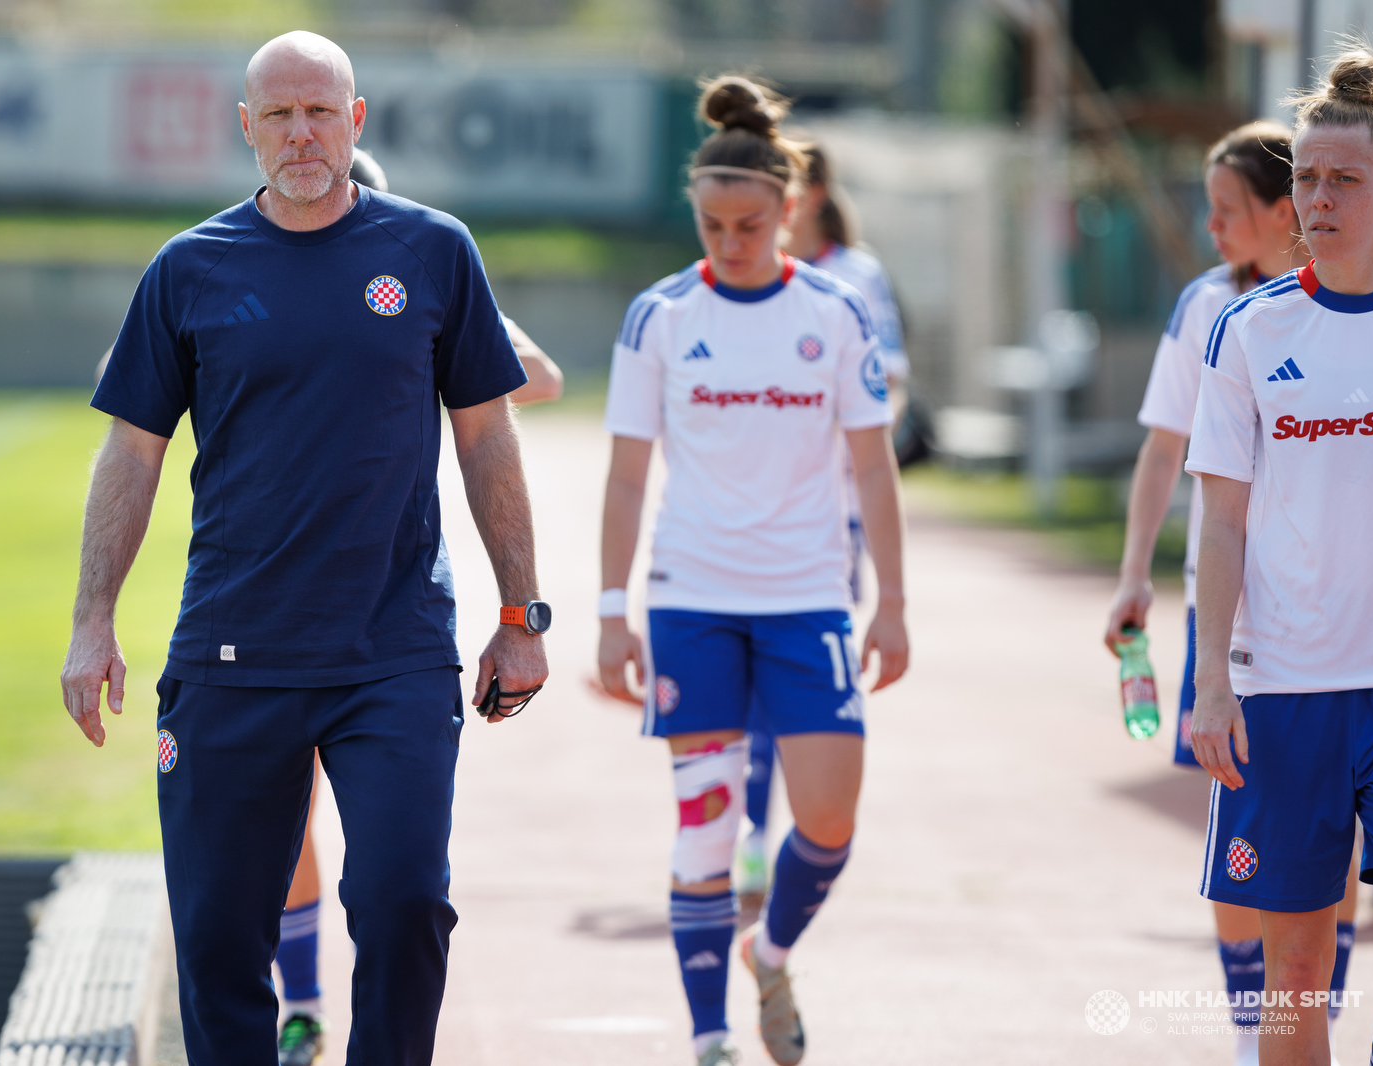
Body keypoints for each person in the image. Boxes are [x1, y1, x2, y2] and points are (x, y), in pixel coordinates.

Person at [58, 31, 551, 1066]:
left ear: (355, 119)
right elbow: (131, 454)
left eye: (320, 112)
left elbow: (487, 437)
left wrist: (521, 615)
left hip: (392, 650)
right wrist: (91, 620)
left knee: (406, 903)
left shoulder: (433, 251)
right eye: (278, 115)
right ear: (246, 127)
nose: (301, 134)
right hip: (232, 654)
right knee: (216, 941)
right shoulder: (189, 268)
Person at [597, 75, 909, 1066]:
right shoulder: (658, 315)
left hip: (808, 600)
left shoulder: (837, 311)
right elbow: (626, 476)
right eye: (711, 225)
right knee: (708, 829)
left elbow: (874, 465)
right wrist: (610, 611)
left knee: (828, 818)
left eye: (749, 224)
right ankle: (709, 1036)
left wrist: (892, 603)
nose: (729, 243)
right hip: (690, 601)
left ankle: (768, 951)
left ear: (791, 209)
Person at [270, 144, 562, 1066]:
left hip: (388, 610)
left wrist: (434, 350)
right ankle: (303, 1004)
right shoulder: (251, 272)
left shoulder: (425, 271)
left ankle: (323, 1011)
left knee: (398, 875)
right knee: (285, 824)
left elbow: (541, 376)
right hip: (268, 602)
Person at [1103, 120, 1360, 1066]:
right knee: (1242, 855)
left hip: (1358, 630)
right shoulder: (1211, 306)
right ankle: (1262, 1037)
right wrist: (1133, 575)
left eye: (1226, 210)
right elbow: (1163, 446)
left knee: (1334, 855)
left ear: (1280, 211)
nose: (1210, 229)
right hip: (1241, 629)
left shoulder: (1366, 301)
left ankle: (1314, 1024)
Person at [1187, 44, 1373, 1066]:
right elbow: (1221, 522)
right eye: (1307, 177)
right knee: (1297, 973)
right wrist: (1210, 684)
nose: (1319, 197)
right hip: (1283, 690)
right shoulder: (1248, 329)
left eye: (1344, 179)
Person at [731, 141, 914, 904]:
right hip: (748, 514)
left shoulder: (855, 278)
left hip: (828, 517)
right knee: (744, 678)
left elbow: (889, 382)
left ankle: (806, 832)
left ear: (803, 197)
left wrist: (839, 441)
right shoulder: (737, 273)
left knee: (797, 677)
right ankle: (750, 832)